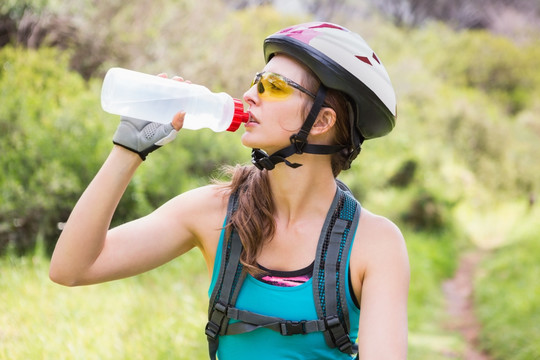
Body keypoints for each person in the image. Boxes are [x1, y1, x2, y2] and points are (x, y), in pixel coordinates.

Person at [50, 22, 409, 359]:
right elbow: (72, 268)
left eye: (274, 86)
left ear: (321, 121)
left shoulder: (374, 244)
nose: (250, 95)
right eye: (256, 82)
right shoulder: (214, 212)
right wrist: (128, 150)